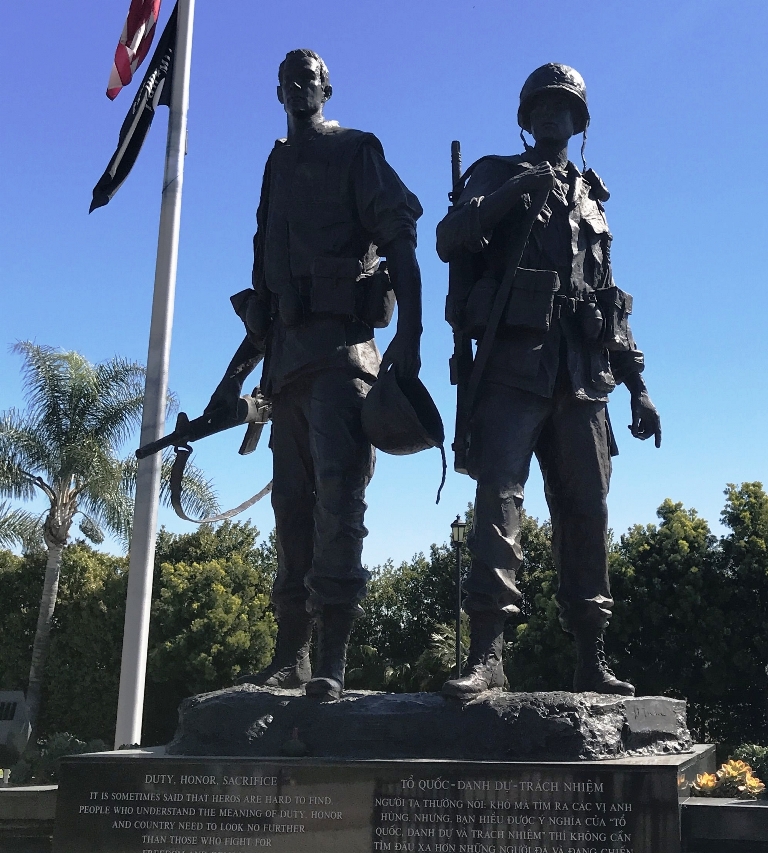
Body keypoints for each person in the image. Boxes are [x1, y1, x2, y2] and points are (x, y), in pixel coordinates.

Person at [437, 63, 661, 698]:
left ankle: (591, 656)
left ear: (579, 122)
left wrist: (637, 384)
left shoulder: (593, 197)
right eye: (540, 107)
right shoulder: (496, 173)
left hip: (584, 379)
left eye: (563, 108)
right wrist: (512, 195)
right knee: (497, 504)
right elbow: (450, 239)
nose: (551, 116)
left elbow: (610, 300)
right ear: (525, 117)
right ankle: (486, 656)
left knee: (586, 512)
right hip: (512, 370)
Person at [206, 49, 423, 700]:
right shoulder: (276, 163)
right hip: (290, 367)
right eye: (289, 80)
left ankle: (331, 661)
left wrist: (409, 340)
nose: (300, 87)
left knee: (339, 509)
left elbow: (403, 236)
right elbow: (264, 299)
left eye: (311, 77)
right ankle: (290, 657)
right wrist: (231, 386)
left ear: (327, 86)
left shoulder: (356, 150)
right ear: (278, 93)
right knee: (291, 512)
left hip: (343, 362)